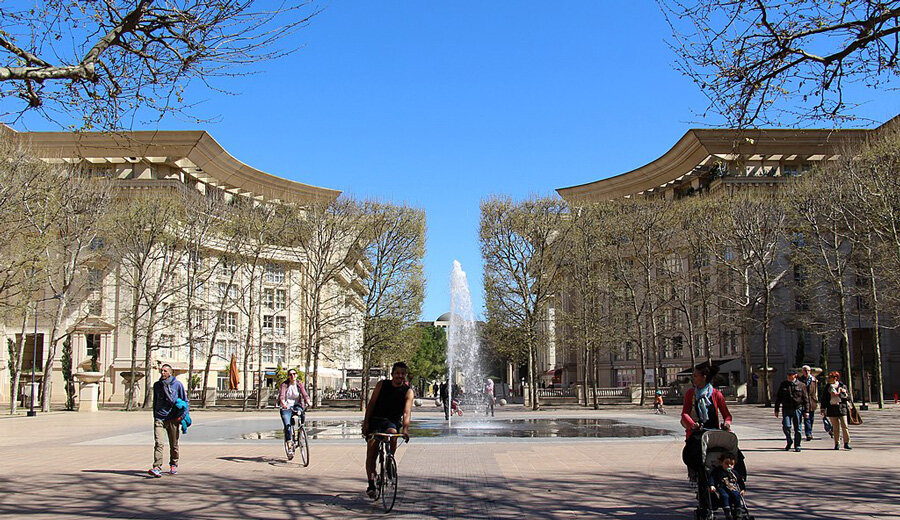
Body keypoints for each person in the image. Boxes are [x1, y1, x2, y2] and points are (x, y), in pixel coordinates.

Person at [681, 364, 734, 510]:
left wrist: (727, 424)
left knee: (733, 455)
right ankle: (703, 489)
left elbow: (727, 415)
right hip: (697, 433)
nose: (693, 378)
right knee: (697, 460)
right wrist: (693, 425)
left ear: (704, 377)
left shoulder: (716, 394)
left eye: (695, 376)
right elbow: (684, 413)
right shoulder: (691, 393)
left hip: (714, 433)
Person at [362, 362, 414, 499]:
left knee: (392, 433)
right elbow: (371, 403)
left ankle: (390, 459)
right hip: (376, 419)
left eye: (402, 373)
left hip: (392, 421)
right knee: (371, 451)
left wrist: (406, 429)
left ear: (405, 376)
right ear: (392, 374)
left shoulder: (408, 392)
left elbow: (407, 412)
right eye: (397, 373)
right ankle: (371, 483)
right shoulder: (382, 385)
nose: (400, 376)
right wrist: (366, 423)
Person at [149, 364, 187, 477]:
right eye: (162, 371)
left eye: (165, 371)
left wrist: (181, 416)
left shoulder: (177, 385)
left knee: (173, 444)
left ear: (170, 373)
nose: (163, 373)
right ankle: (156, 467)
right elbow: (155, 401)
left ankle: (174, 463)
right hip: (160, 418)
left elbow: (185, 402)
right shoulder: (157, 385)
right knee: (159, 443)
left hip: (173, 418)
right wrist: (155, 415)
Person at [278, 369, 310, 460]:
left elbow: (305, 394)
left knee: (302, 413)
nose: (292, 376)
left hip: (296, 405)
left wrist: (308, 401)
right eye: (290, 374)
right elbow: (282, 396)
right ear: (288, 376)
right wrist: (284, 404)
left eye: (294, 374)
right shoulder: (284, 385)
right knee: (287, 426)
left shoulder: (299, 384)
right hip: (286, 407)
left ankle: (301, 431)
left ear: (296, 375)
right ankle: (289, 446)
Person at [774, 372, 810, 452]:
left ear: (795, 375)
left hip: (797, 408)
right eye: (788, 375)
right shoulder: (784, 384)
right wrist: (776, 409)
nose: (789, 377)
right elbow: (779, 397)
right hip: (786, 408)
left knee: (798, 428)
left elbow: (806, 399)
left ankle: (797, 445)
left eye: (791, 375)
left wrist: (806, 411)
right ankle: (789, 440)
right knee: (786, 426)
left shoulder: (801, 385)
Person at [708, 452, 746, 520]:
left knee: (737, 495)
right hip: (721, 487)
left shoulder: (734, 472)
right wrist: (712, 485)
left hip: (732, 487)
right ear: (721, 463)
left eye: (731, 464)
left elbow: (740, 481)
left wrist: (743, 489)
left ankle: (738, 511)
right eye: (726, 463)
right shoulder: (717, 471)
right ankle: (727, 511)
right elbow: (712, 478)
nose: (729, 466)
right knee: (724, 496)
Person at [822, 371, 852, 450]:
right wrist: (823, 408)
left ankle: (846, 442)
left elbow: (848, 398)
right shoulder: (827, 387)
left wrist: (843, 393)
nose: (829, 379)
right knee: (835, 428)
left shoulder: (842, 386)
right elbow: (824, 398)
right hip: (832, 409)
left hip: (842, 408)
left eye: (830, 377)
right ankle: (837, 443)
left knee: (845, 426)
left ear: (835, 378)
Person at [797, 365, 818, 441]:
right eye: (805, 370)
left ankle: (809, 431)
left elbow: (815, 391)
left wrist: (816, 399)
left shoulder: (813, 380)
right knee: (807, 418)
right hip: (803, 402)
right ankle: (808, 433)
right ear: (802, 371)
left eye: (808, 370)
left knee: (811, 418)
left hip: (812, 401)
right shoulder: (800, 380)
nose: (807, 372)